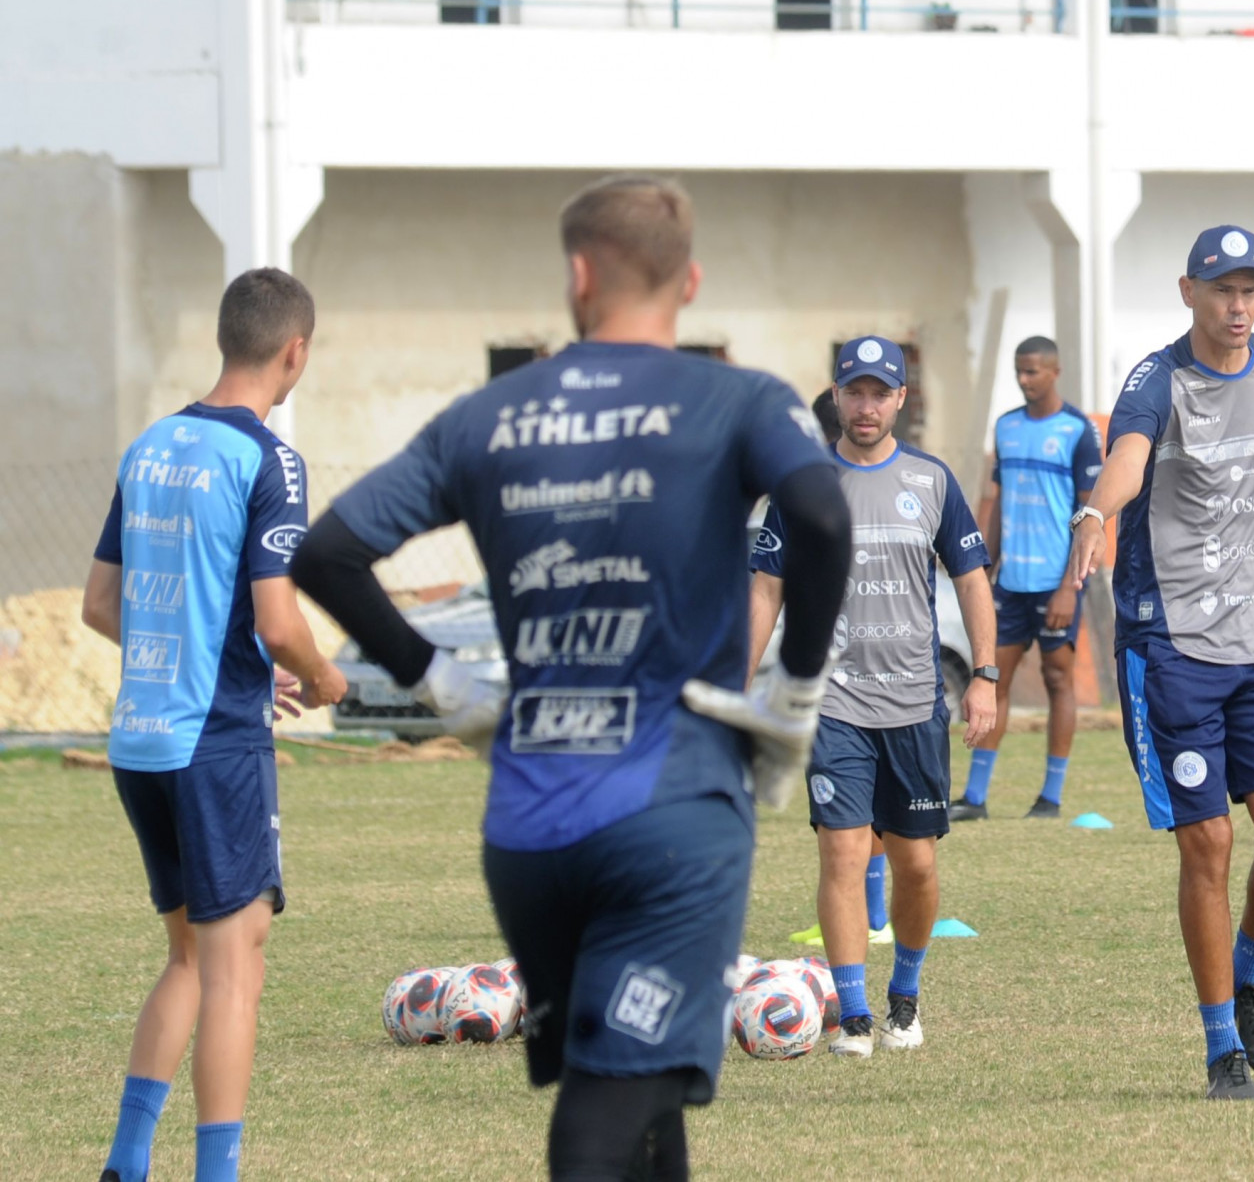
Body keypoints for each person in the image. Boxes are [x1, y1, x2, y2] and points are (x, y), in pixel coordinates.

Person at [290, 175, 851, 1181]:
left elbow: (327, 551)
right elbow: (821, 517)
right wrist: (794, 690)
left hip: (527, 824)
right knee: (606, 1110)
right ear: (691, 282)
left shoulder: (489, 417)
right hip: (669, 817)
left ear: (577, 275)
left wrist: (444, 687)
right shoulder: (736, 400)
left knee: (649, 1094)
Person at [81, 268, 347, 1182]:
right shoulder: (267, 459)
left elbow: (100, 604)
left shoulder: (152, 443)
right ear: (295, 351)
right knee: (239, 965)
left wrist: (210, 651)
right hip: (213, 741)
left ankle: (125, 1160)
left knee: (189, 955)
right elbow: (278, 619)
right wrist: (320, 674)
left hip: (140, 739)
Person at [1066, 225, 1254, 1101]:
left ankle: (1247, 976)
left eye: (1251, 288)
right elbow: (1127, 464)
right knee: (1209, 840)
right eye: (1222, 289)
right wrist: (1097, 517)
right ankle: (1221, 1048)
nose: (1239, 305)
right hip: (1171, 644)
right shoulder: (1156, 378)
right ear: (1189, 292)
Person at [747, 336, 998, 1056]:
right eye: (852, 391)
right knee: (843, 853)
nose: (864, 405)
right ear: (834, 395)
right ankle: (853, 1014)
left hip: (916, 703)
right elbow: (765, 588)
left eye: (878, 392)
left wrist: (983, 675)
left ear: (899, 399)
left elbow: (971, 577)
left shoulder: (932, 480)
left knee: (916, 863)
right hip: (832, 701)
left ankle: (905, 995)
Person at [949, 335, 1102, 821]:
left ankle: (1051, 798)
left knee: (1059, 679)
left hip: (1056, 581)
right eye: (1019, 370)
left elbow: (1089, 513)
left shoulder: (1077, 430)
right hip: (1010, 582)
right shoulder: (1007, 427)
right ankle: (975, 797)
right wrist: (983, 564)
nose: (1024, 378)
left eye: (1033, 370)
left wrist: (1067, 585)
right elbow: (995, 504)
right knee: (993, 679)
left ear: (1055, 372)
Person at [789, 389, 895, 947]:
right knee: (857, 809)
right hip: (862, 677)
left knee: (853, 814)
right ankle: (872, 915)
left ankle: (872, 915)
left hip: (851, 675)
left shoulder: (830, 491)